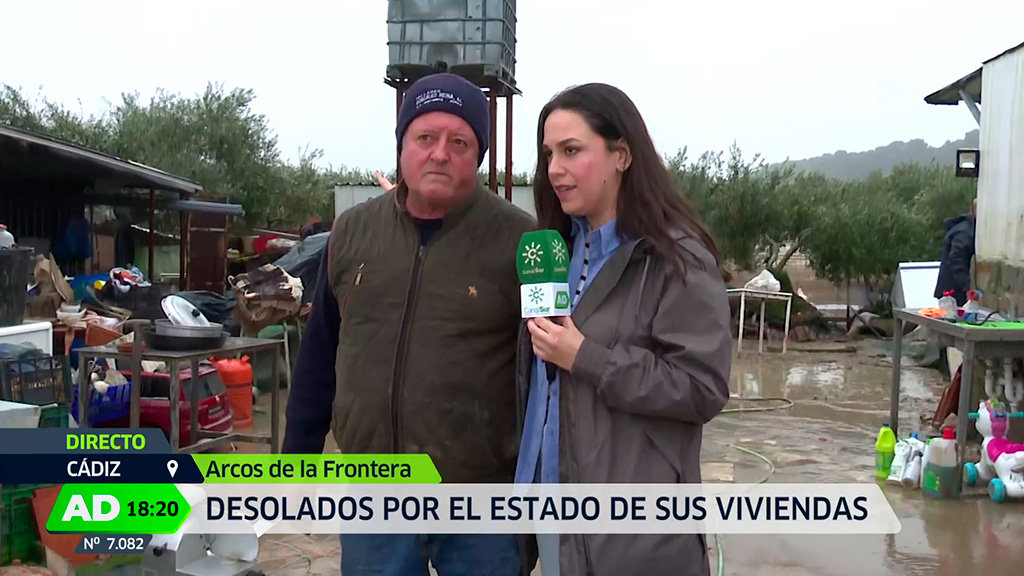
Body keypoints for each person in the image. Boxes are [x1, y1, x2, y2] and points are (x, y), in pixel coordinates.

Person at [282, 72, 537, 575]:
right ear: (402, 146)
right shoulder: (353, 232)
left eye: (459, 142)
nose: (440, 154)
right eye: (425, 137)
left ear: (478, 156)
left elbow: (546, 380)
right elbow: (320, 354)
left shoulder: (519, 241)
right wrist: (298, 457)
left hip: (480, 497)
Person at [513, 83, 732, 576]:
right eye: (549, 154)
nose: (555, 169)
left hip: (635, 536)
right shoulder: (554, 252)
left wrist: (586, 357)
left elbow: (701, 387)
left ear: (622, 156)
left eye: (572, 151)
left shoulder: (676, 259)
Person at [933, 198, 977, 306]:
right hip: (954, 295)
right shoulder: (965, 232)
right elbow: (955, 260)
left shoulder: (966, 229)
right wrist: (967, 287)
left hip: (953, 293)